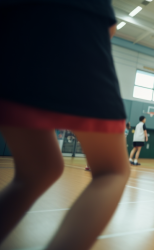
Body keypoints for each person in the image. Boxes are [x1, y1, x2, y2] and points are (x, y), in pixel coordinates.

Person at [0, 1, 130, 248]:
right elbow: (108, 27)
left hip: (9, 31)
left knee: (39, 169)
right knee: (112, 171)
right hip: (77, 24)